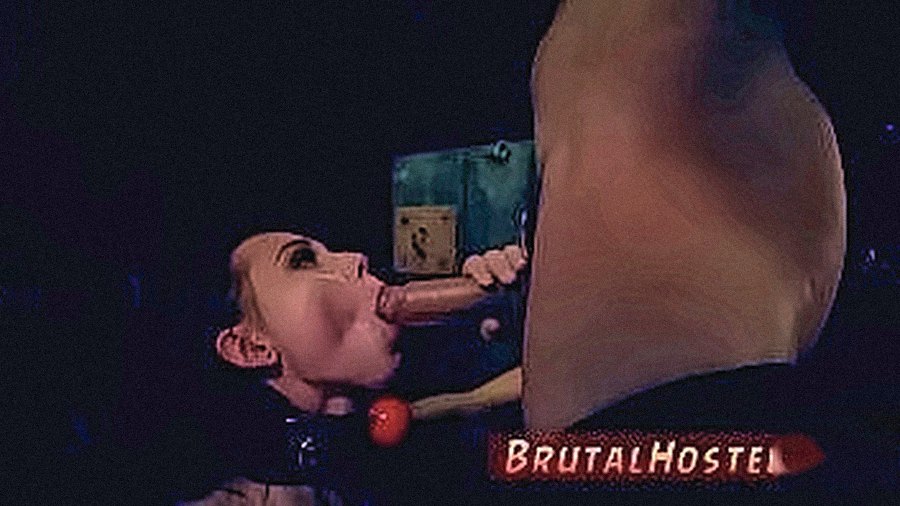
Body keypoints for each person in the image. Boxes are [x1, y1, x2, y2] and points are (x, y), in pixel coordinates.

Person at [180, 231, 526, 506]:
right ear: (251, 348)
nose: (357, 258)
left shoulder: (437, 440)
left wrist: (527, 316)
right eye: (302, 260)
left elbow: (546, 459)